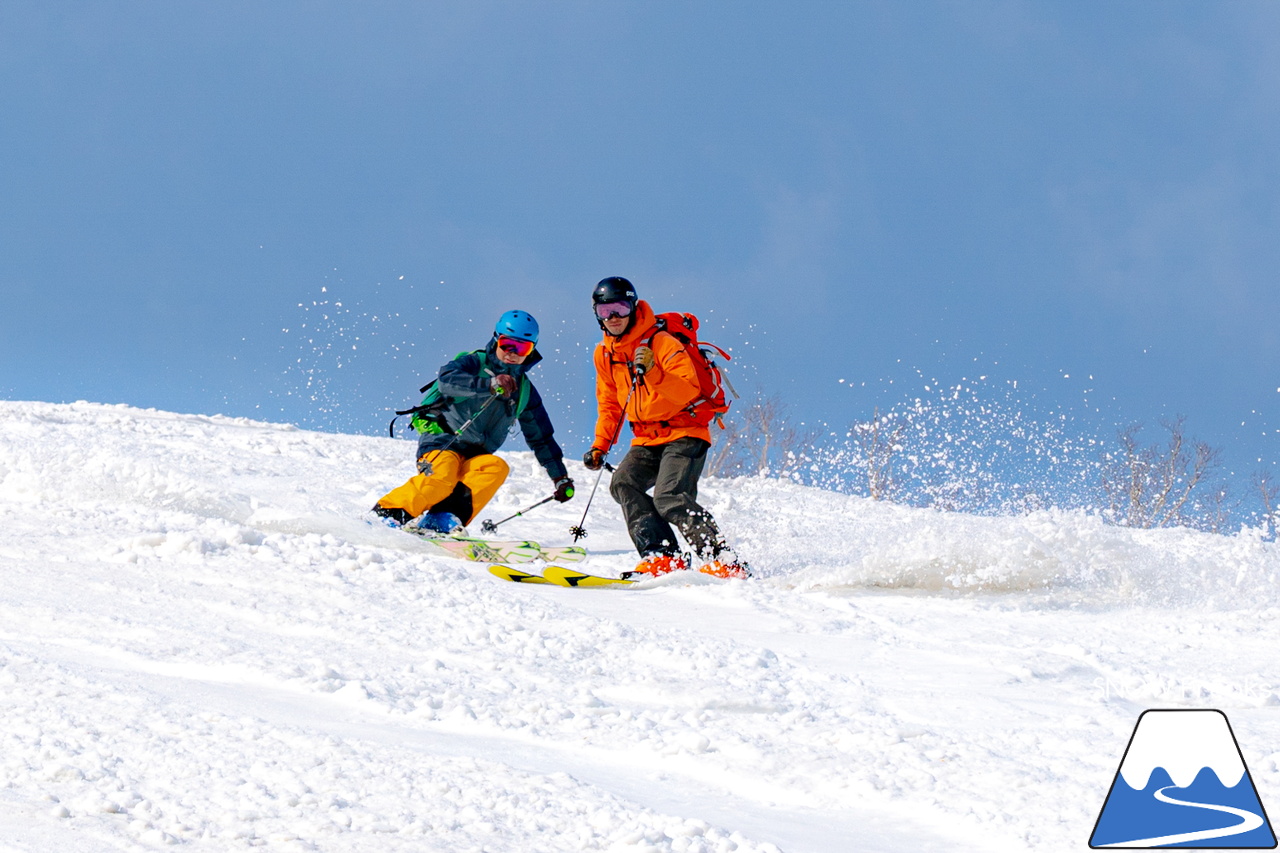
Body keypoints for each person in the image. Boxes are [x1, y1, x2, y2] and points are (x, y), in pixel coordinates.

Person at [583, 277, 749, 578]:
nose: (613, 318)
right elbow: (609, 404)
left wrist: (654, 371)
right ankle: (662, 556)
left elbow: (688, 389)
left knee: (669, 496)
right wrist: (600, 445)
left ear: (633, 308)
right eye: (605, 311)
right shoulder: (604, 354)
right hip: (646, 437)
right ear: (597, 314)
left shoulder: (662, 342)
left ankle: (722, 559)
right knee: (623, 483)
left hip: (685, 431)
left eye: (620, 308)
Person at [373, 310, 574, 534]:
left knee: (495, 467)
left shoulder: (524, 390)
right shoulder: (473, 362)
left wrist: (559, 477)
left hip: (475, 455)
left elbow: (541, 438)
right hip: (443, 441)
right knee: (441, 477)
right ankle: (385, 514)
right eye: (508, 344)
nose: (512, 354)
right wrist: (489, 384)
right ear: (496, 338)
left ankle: (441, 520)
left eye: (522, 348)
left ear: (531, 350)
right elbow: (446, 380)